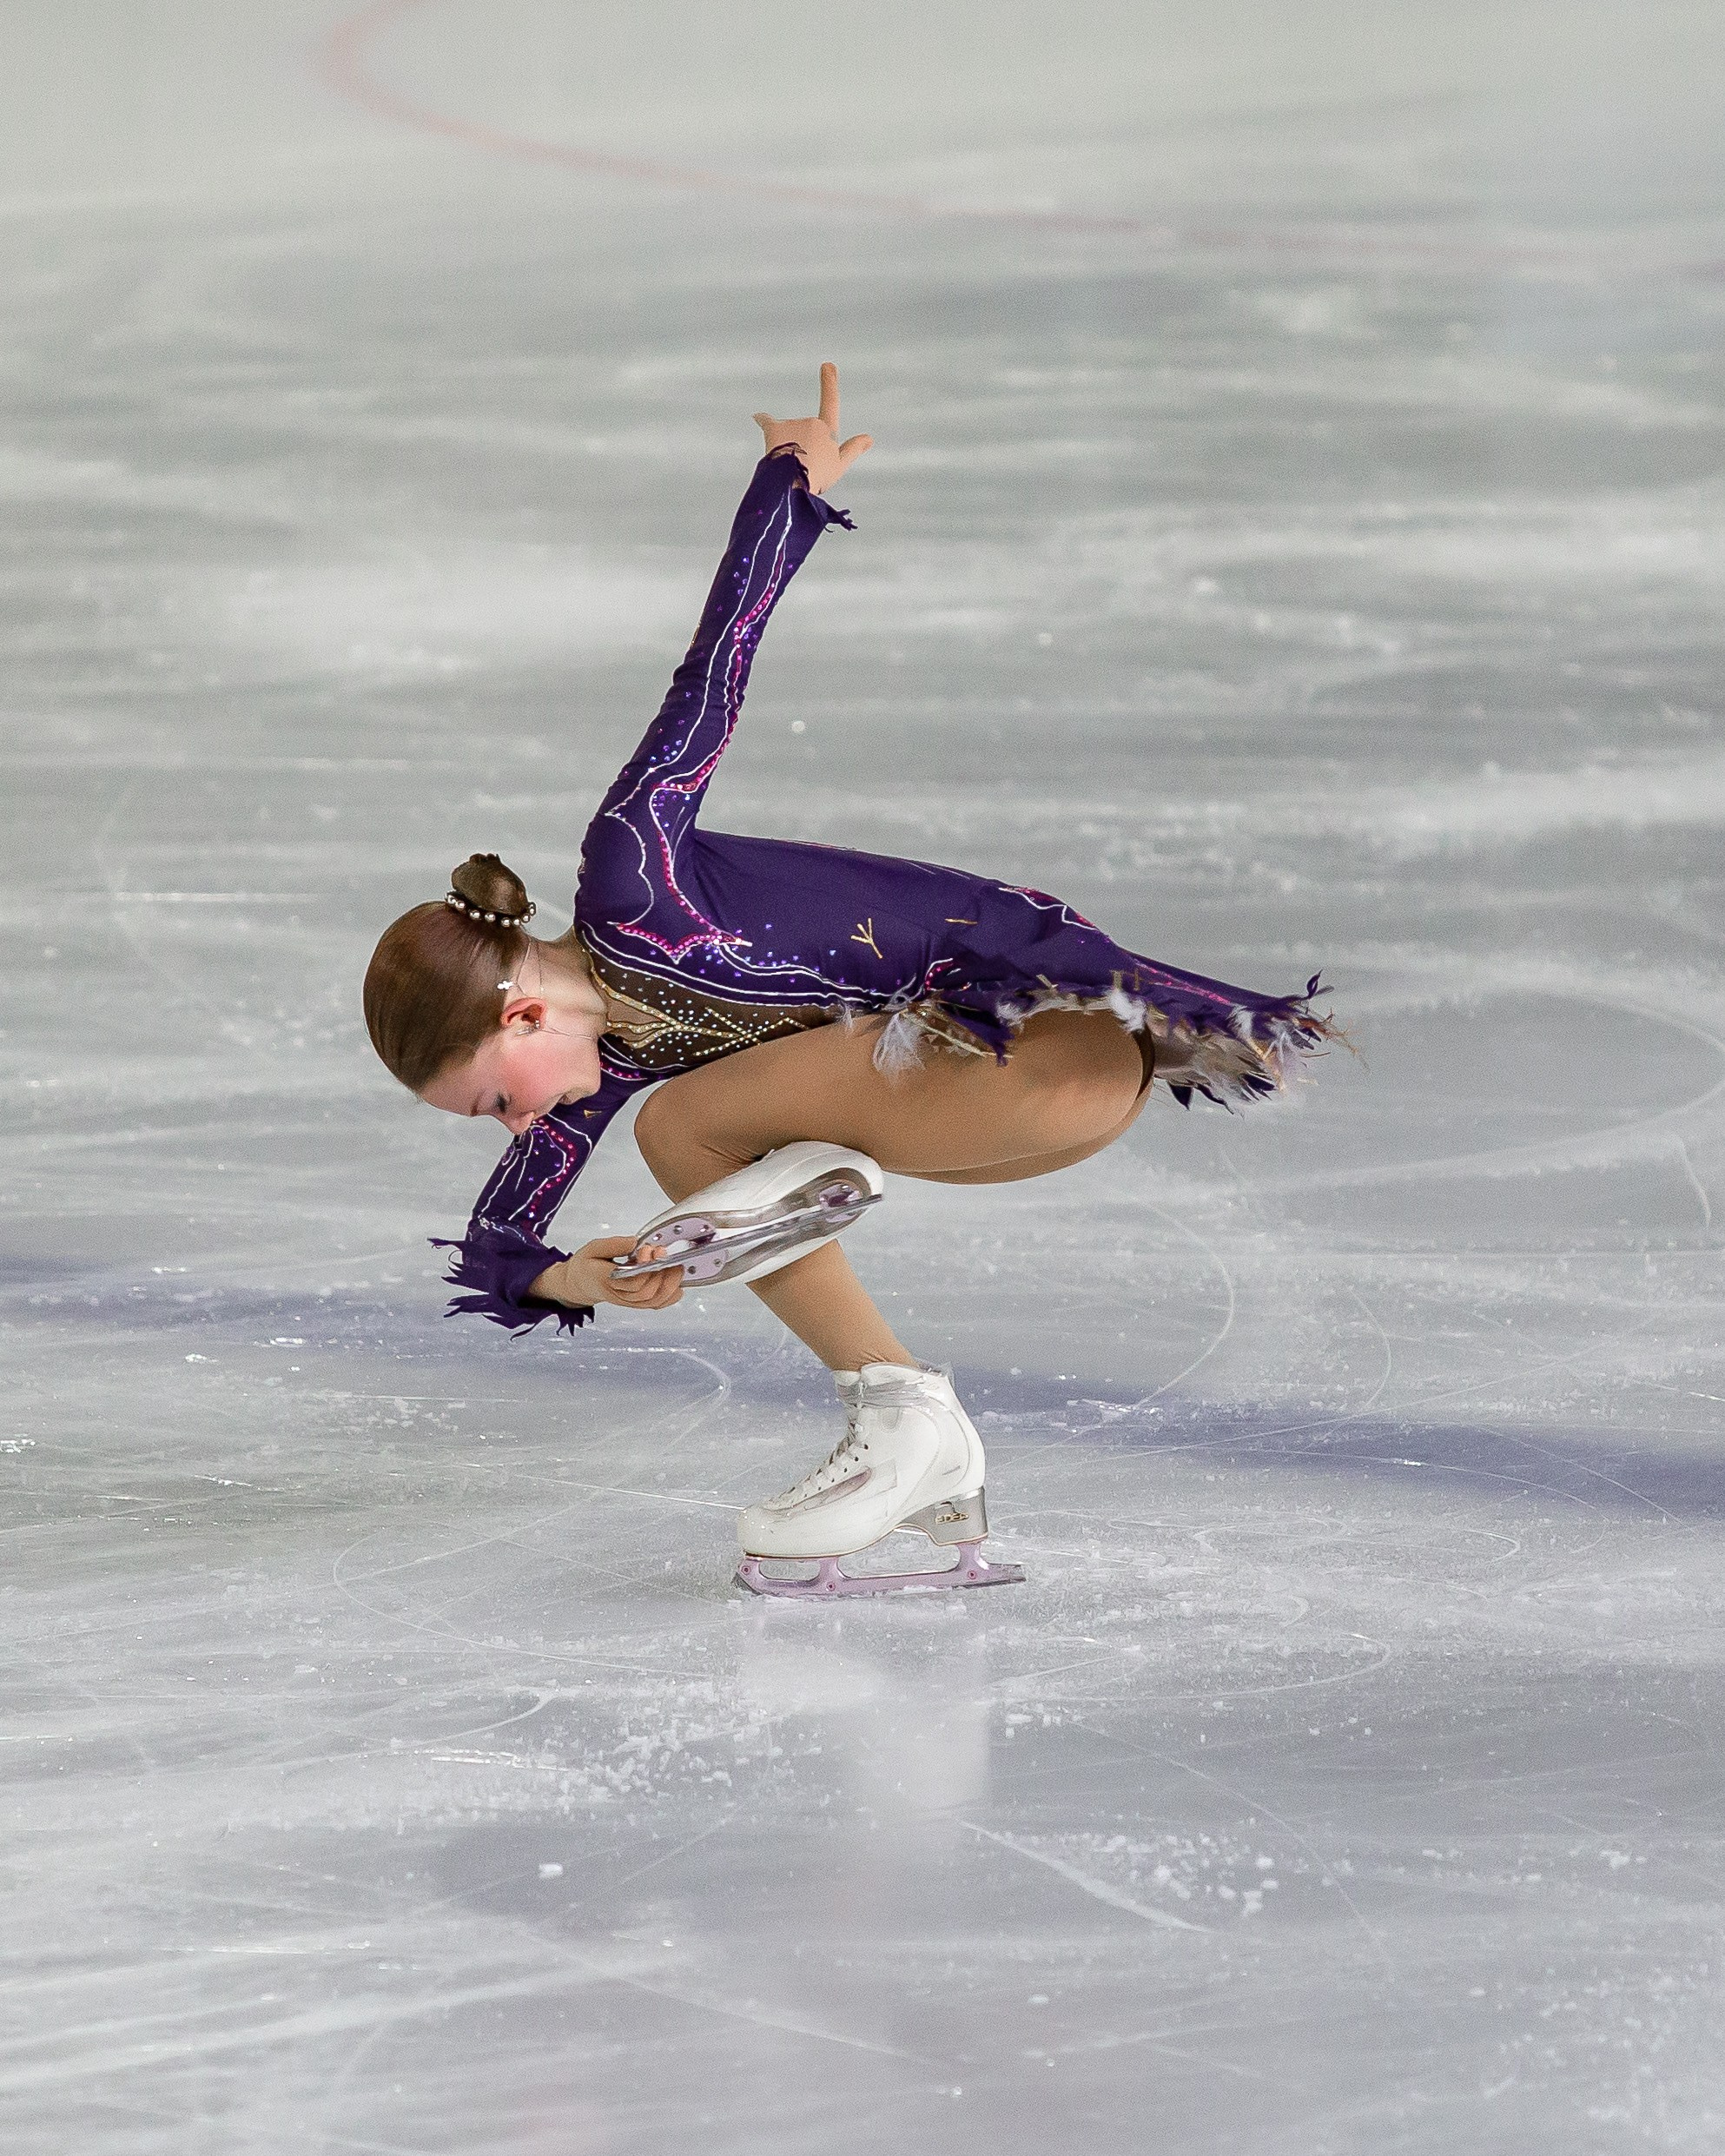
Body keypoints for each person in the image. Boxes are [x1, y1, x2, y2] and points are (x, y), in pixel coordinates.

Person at [363, 365, 1335, 1594]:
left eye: (498, 1097)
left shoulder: (631, 873)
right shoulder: (596, 1063)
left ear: (518, 1009)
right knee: (679, 1127)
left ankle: (801, 1211)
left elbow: (710, 676)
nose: (523, 1123)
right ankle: (903, 1417)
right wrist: (577, 1270)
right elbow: (503, 1233)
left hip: (1050, 1048)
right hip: (1006, 1120)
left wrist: (790, 482)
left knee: (680, 1125)